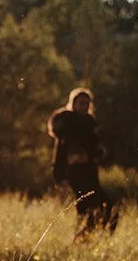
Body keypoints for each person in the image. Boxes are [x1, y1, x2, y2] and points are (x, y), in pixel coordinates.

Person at [49, 87, 116, 238]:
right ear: (73, 104)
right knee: (87, 209)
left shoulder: (89, 124)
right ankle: (82, 241)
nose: (84, 106)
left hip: (89, 171)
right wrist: (61, 171)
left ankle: (92, 239)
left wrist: (91, 154)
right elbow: (61, 151)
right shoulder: (66, 123)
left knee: (104, 208)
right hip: (76, 173)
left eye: (87, 103)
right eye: (81, 103)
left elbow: (95, 148)